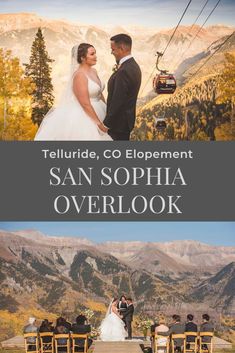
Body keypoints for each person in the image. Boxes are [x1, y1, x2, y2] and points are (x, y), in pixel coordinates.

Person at [35, 43, 112, 141]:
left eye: (95, 53)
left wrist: (107, 111)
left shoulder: (94, 71)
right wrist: (99, 125)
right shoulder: (79, 76)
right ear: (82, 58)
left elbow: (99, 93)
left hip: (100, 109)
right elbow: (85, 104)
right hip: (86, 115)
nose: (95, 56)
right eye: (92, 54)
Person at [104, 33, 142, 140]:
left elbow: (118, 100)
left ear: (121, 49)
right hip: (125, 122)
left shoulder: (124, 71)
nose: (111, 52)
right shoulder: (133, 65)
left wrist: (106, 124)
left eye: (113, 49)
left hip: (118, 125)